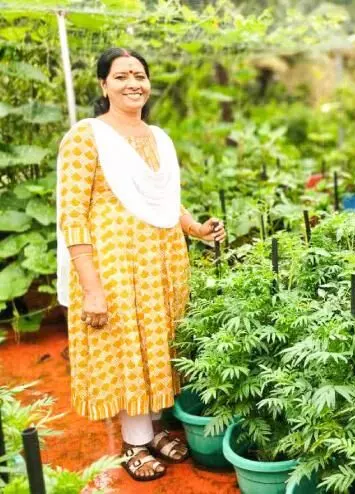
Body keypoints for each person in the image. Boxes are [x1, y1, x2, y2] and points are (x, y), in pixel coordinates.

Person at [55, 47, 226, 481]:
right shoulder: (86, 137)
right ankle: (134, 443)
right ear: (103, 85)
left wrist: (196, 229)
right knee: (128, 346)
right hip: (113, 265)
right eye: (121, 76)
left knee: (158, 344)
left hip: (162, 262)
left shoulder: (159, 137)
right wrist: (91, 288)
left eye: (139, 75)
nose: (133, 83)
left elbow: (165, 199)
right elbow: (72, 214)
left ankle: (153, 428)